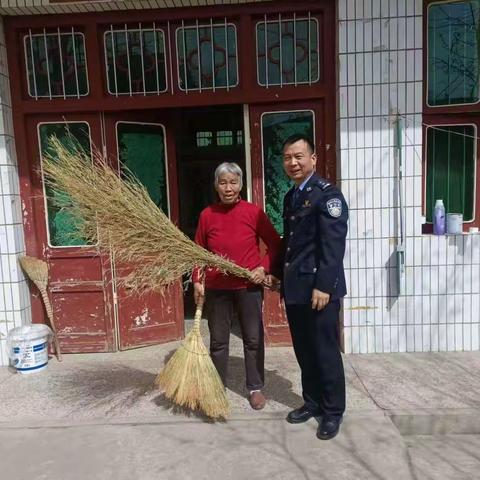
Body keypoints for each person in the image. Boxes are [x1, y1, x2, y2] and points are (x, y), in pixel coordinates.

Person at [271, 134, 348, 440]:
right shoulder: (292, 197)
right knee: (304, 350)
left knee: (325, 351)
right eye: (288, 157)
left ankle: (332, 412)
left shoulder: (327, 196)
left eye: (299, 156)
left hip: (320, 290)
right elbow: (290, 243)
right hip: (297, 288)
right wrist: (278, 274)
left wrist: (324, 286)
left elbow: (333, 246)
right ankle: (313, 402)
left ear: (313, 159)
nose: (293, 163)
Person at [192, 162, 281, 410]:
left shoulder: (253, 212)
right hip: (218, 287)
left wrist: (262, 268)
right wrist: (198, 281)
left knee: (252, 339)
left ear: (240, 185)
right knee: (219, 341)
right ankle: (217, 387)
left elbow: (275, 244)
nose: (228, 188)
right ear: (216, 186)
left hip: (248, 287)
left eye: (233, 182)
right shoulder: (207, 215)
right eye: (223, 182)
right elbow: (198, 252)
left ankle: (254, 387)